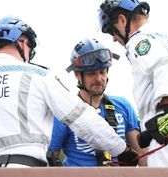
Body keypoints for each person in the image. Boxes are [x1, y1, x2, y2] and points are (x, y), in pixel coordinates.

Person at [0, 16, 137, 167]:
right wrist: (122, 149)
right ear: (22, 42)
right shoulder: (38, 75)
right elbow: (82, 119)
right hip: (24, 172)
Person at [99, 0, 168, 167]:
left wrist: (165, 111)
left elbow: (164, 66)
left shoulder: (139, 41)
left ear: (122, 20)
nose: (113, 38)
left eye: (112, 30)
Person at [49, 38, 144, 166]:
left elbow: (142, 155)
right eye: (92, 73)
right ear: (77, 75)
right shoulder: (65, 111)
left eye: (102, 72)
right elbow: (50, 157)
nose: (99, 78)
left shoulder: (123, 106)